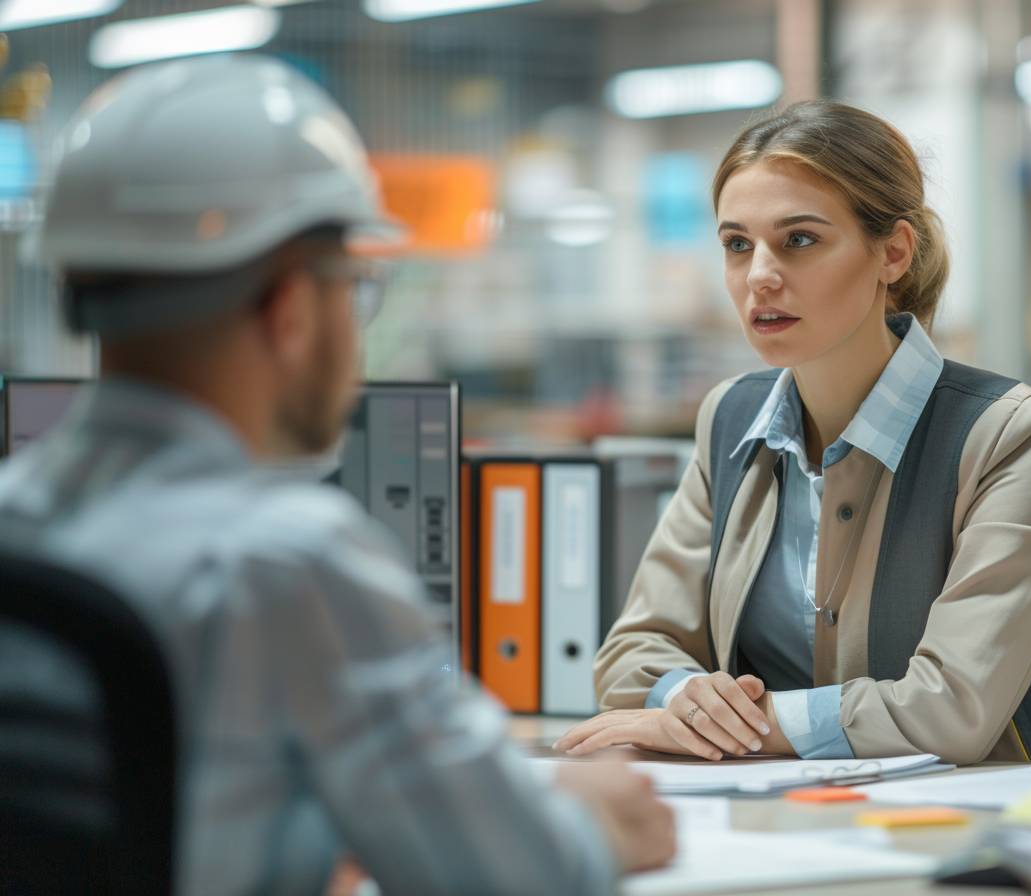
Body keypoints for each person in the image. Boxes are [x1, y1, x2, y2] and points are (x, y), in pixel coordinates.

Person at [0, 55, 672, 894]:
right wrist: (598, 821)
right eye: (354, 287)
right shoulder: (289, 561)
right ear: (289, 309)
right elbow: (518, 875)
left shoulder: (17, 518)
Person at [556, 100, 1031, 766]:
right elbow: (632, 653)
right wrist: (688, 700)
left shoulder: (1012, 437)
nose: (759, 275)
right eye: (737, 245)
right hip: (805, 807)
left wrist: (750, 724)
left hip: (1000, 809)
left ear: (893, 253)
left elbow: (953, 708)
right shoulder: (730, 419)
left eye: (799, 240)